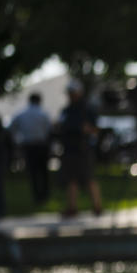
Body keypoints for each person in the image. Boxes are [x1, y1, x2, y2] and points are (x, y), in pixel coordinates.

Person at [58, 80, 102, 218]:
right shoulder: (67, 110)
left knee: (88, 178)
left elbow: (95, 129)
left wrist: (86, 130)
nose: (71, 96)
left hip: (83, 149)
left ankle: (97, 206)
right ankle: (72, 207)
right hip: (70, 149)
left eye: (73, 93)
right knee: (71, 179)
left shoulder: (87, 109)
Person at [10, 93, 53, 206]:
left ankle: (36, 196)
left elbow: (12, 128)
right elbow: (50, 129)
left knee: (33, 172)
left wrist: (17, 139)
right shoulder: (43, 113)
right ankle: (45, 195)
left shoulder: (22, 114)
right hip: (42, 145)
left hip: (28, 146)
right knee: (44, 172)